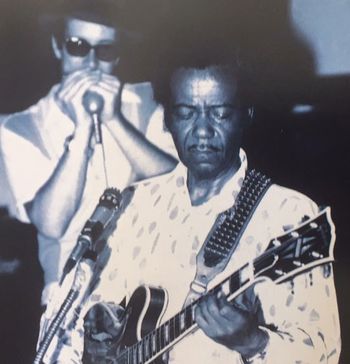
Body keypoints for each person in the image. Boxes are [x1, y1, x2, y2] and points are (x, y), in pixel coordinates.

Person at [41, 45, 341, 363]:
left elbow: (322, 353)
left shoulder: (289, 214)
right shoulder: (131, 205)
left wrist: (254, 342)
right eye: (185, 113)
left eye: (220, 113)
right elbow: (65, 327)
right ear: (167, 118)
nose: (201, 130)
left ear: (246, 115)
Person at [0, 0, 177, 305]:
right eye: (78, 46)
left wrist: (114, 121)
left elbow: (177, 181)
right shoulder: (20, 126)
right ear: (58, 47)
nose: (91, 63)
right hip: (72, 296)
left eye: (105, 50)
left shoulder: (148, 100)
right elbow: (52, 224)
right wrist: (81, 133)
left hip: (152, 287)